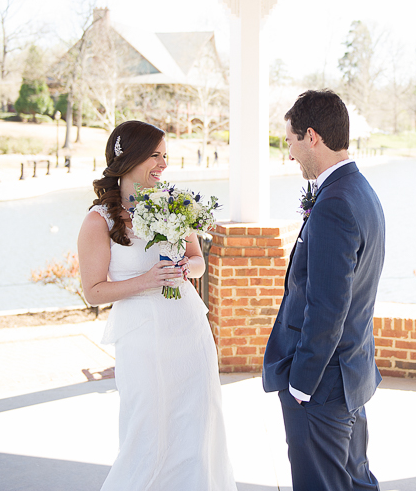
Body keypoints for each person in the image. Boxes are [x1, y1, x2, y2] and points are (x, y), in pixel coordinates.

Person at [77, 120, 237, 491]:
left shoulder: (176, 203)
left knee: (198, 427)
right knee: (148, 431)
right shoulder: (97, 221)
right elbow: (94, 291)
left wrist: (185, 267)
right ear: (129, 159)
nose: (163, 164)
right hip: (142, 340)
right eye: (155, 155)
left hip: (189, 330)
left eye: (165, 156)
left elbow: (198, 261)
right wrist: (146, 281)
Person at [262, 90, 386, 491]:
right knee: (355, 483)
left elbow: (328, 306)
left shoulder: (334, 202)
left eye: (291, 139)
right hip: (350, 374)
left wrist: (301, 384)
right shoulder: (360, 190)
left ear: (311, 136)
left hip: (322, 387)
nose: (290, 150)